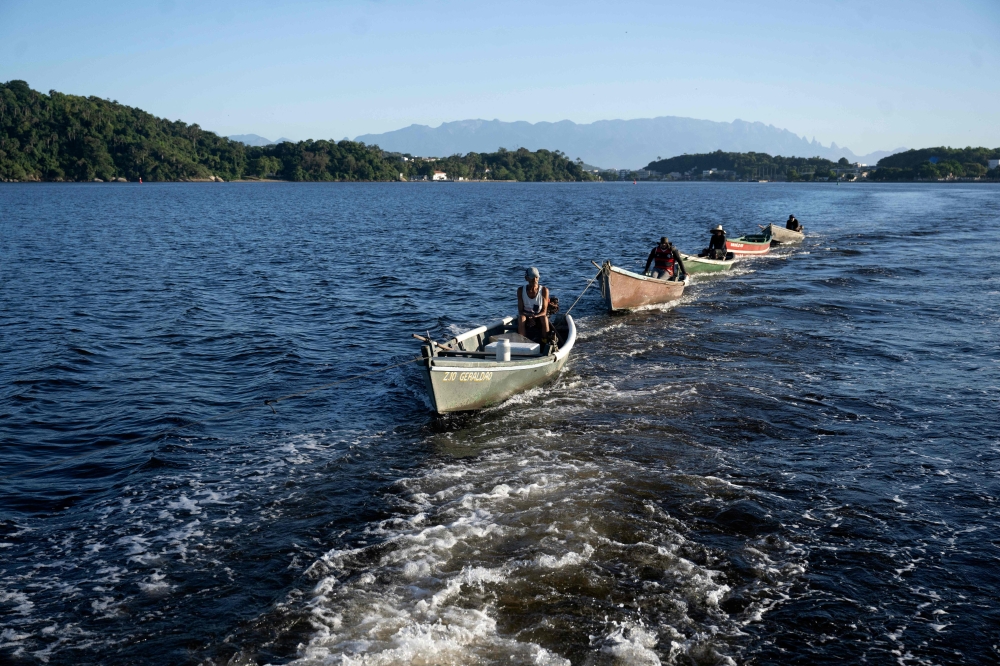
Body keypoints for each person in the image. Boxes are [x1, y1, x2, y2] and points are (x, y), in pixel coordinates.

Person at [517, 267, 550, 341]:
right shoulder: (520, 290)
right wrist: (529, 316)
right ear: (526, 278)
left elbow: (544, 311)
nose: (534, 280)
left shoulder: (544, 290)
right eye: (532, 278)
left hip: (539, 315)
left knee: (544, 318)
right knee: (521, 318)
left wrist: (534, 316)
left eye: (536, 277)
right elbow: (520, 311)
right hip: (526, 315)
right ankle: (522, 341)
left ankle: (545, 341)